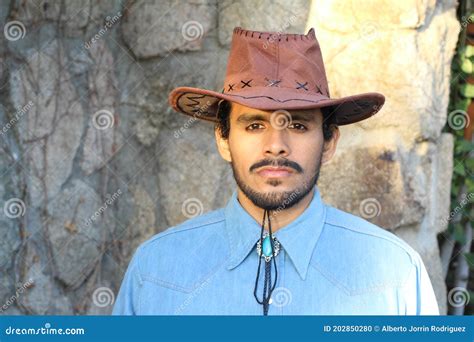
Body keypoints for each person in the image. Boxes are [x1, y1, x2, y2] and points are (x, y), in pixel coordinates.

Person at [113, 26, 439, 315]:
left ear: (328, 143)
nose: (276, 145)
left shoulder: (394, 273)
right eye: (254, 125)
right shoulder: (156, 270)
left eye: (297, 125)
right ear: (224, 140)